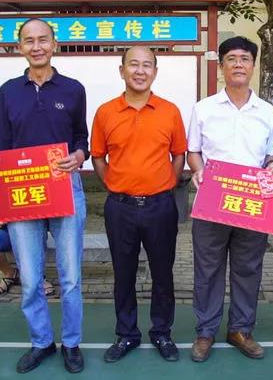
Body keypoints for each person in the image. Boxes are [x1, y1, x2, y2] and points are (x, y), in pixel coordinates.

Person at [0, 18, 88, 374]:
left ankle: (71, 343)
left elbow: (81, 138)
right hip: (21, 191)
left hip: (64, 187)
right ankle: (41, 341)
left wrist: (80, 155)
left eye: (43, 39)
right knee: (30, 278)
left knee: (70, 277)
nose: (37, 46)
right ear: (20, 47)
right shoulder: (8, 91)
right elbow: (1, 146)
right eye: (29, 40)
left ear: (54, 44)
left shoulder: (73, 89)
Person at [91, 46, 187, 363]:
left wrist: (166, 184)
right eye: (133, 64)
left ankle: (162, 332)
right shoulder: (106, 112)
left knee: (163, 273)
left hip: (161, 206)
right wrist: (115, 184)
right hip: (120, 208)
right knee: (123, 273)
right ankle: (127, 334)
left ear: (155, 72)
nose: (140, 71)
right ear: (122, 71)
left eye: (147, 65)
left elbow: (178, 155)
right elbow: (98, 157)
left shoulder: (169, 111)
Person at [187, 36, 273, 362]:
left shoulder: (267, 112)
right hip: (212, 202)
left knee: (248, 268)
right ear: (222, 66)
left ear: (253, 66)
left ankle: (241, 329)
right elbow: (193, 151)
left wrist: (272, 165)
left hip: (252, 204)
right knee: (207, 270)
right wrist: (198, 170)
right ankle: (206, 331)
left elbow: (271, 155)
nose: (238, 64)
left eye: (245, 59)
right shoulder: (204, 109)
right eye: (232, 58)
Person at [0, 226, 54, 296]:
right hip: (10, 228)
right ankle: (10, 273)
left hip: (35, 228)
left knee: (32, 239)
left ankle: (39, 277)